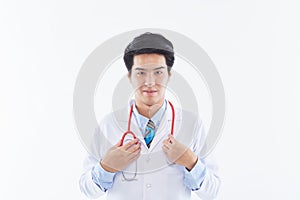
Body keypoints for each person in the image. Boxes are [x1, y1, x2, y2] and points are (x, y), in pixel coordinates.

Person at [79, 32, 220, 200]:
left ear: (169, 76)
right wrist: (107, 167)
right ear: (130, 77)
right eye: (141, 73)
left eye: (158, 72)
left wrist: (191, 162)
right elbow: (87, 190)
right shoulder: (109, 125)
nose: (150, 82)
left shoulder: (192, 124)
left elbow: (212, 192)